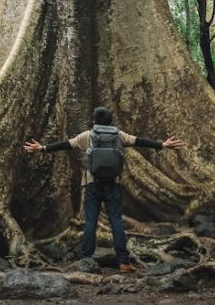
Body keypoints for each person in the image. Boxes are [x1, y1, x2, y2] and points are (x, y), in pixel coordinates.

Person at [23, 106, 184, 272]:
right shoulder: (119, 135)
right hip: (113, 184)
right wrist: (163, 145)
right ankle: (124, 262)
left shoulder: (87, 135)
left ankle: (85, 260)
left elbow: (66, 145)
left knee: (90, 222)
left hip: (92, 184)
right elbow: (139, 141)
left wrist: (42, 148)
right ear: (111, 120)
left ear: (94, 120)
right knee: (116, 221)